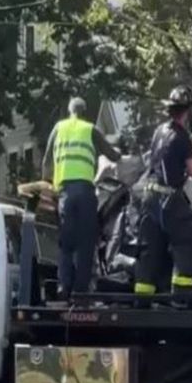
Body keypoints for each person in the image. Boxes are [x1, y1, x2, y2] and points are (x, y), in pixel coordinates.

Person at [42, 97, 121, 299]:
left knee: (66, 243)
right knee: (86, 244)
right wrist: (119, 152)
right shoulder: (90, 129)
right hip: (86, 193)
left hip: (65, 194)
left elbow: (46, 163)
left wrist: (48, 188)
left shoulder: (58, 128)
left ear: (69, 111)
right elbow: (112, 156)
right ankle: (80, 291)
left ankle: (63, 287)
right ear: (84, 112)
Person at [133, 85, 192, 300]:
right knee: (189, 238)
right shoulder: (182, 136)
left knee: (150, 248)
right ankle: (181, 291)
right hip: (168, 198)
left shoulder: (159, 132)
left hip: (148, 197)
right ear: (186, 112)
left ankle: (143, 298)